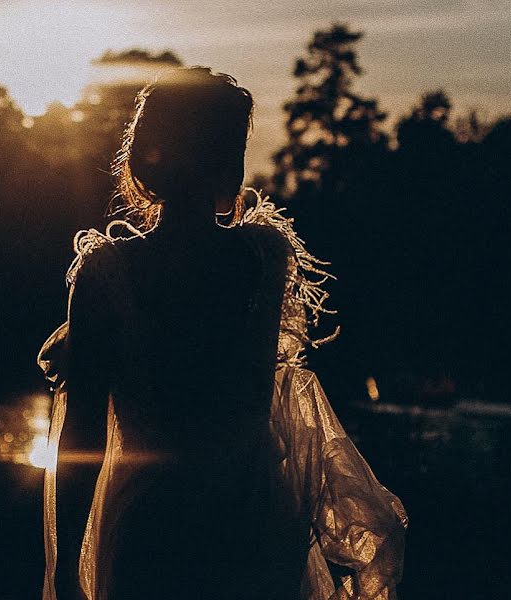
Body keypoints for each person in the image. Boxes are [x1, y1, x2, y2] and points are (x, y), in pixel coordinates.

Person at [38, 67, 408, 600]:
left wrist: (67, 568)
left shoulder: (108, 274)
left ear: (146, 151)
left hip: (153, 520)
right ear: (227, 159)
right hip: (251, 514)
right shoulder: (261, 256)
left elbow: (83, 435)